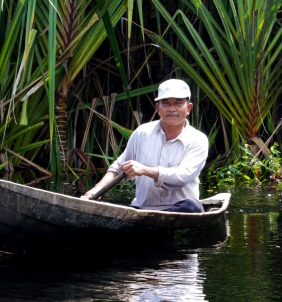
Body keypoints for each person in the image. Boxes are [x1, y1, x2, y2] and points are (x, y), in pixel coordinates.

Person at [81, 79, 208, 213]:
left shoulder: (198, 139)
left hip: (179, 209)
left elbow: (181, 177)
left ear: (188, 108)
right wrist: (95, 190)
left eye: (178, 103)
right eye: (166, 103)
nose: (172, 109)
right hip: (141, 208)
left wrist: (144, 170)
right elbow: (118, 168)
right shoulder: (142, 133)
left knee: (193, 206)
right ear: (157, 108)